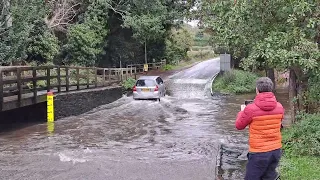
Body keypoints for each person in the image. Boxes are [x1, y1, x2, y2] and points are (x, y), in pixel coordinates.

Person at [235, 77, 284, 180]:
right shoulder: (280, 107)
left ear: (257, 90)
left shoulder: (250, 109)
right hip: (275, 151)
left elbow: (239, 126)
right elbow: (279, 125)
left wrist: (242, 112)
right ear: (271, 89)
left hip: (258, 153)